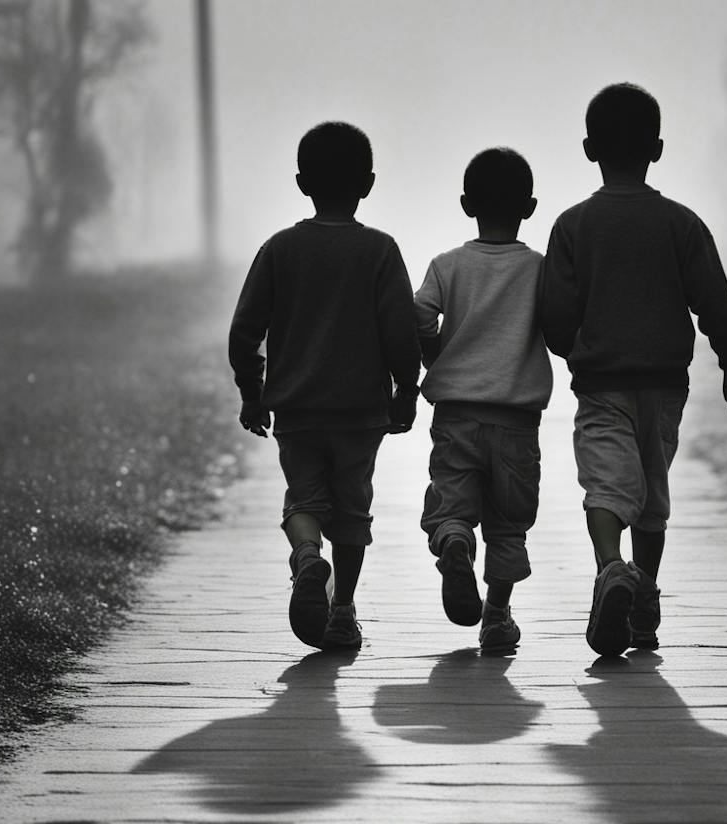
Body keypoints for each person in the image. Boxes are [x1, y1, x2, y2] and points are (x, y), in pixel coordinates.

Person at [540, 83, 727, 657]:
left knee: (607, 486)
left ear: (589, 149)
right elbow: (714, 299)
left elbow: (556, 312)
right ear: (657, 149)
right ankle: (646, 593)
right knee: (653, 492)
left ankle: (612, 570)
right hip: (664, 382)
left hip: (602, 382)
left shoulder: (572, 226)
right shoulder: (682, 224)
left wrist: (573, 346)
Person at [229, 121, 421, 651]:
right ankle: (342, 610)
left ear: (301, 182)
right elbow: (400, 331)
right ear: (369, 183)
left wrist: (252, 391)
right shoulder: (380, 252)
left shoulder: (280, 249)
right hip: (361, 414)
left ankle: (308, 558)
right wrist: (407, 390)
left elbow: (245, 330)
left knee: (305, 499)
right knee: (353, 511)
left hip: (297, 411)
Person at [415, 148, 553, 649]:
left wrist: (438, 355)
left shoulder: (447, 265)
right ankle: (497, 614)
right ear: (530, 206)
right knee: (509, 522)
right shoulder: (540, 269)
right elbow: (561, 323)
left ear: (465, 203)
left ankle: (454, 539)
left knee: (453, 500)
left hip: (456, 415)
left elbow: (418, 315)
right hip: (517, 419)